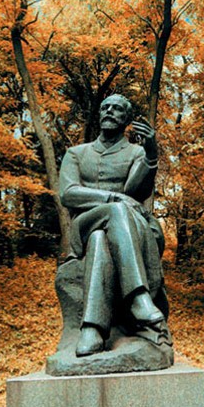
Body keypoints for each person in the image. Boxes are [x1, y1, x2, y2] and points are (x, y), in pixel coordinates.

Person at [59, 94, 167, 357]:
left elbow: (135, 190)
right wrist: (113, 197)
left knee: (101, 239)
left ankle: (93, 330)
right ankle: (139, 299)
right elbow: (69, 193)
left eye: (117, 109)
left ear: (126, 119)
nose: (109, 111)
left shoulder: (135, 153)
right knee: (110, 217)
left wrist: (151, 156)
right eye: (105, 108)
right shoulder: (76, 153)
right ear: (99, 115)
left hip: (120, 229)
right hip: (85, 224)